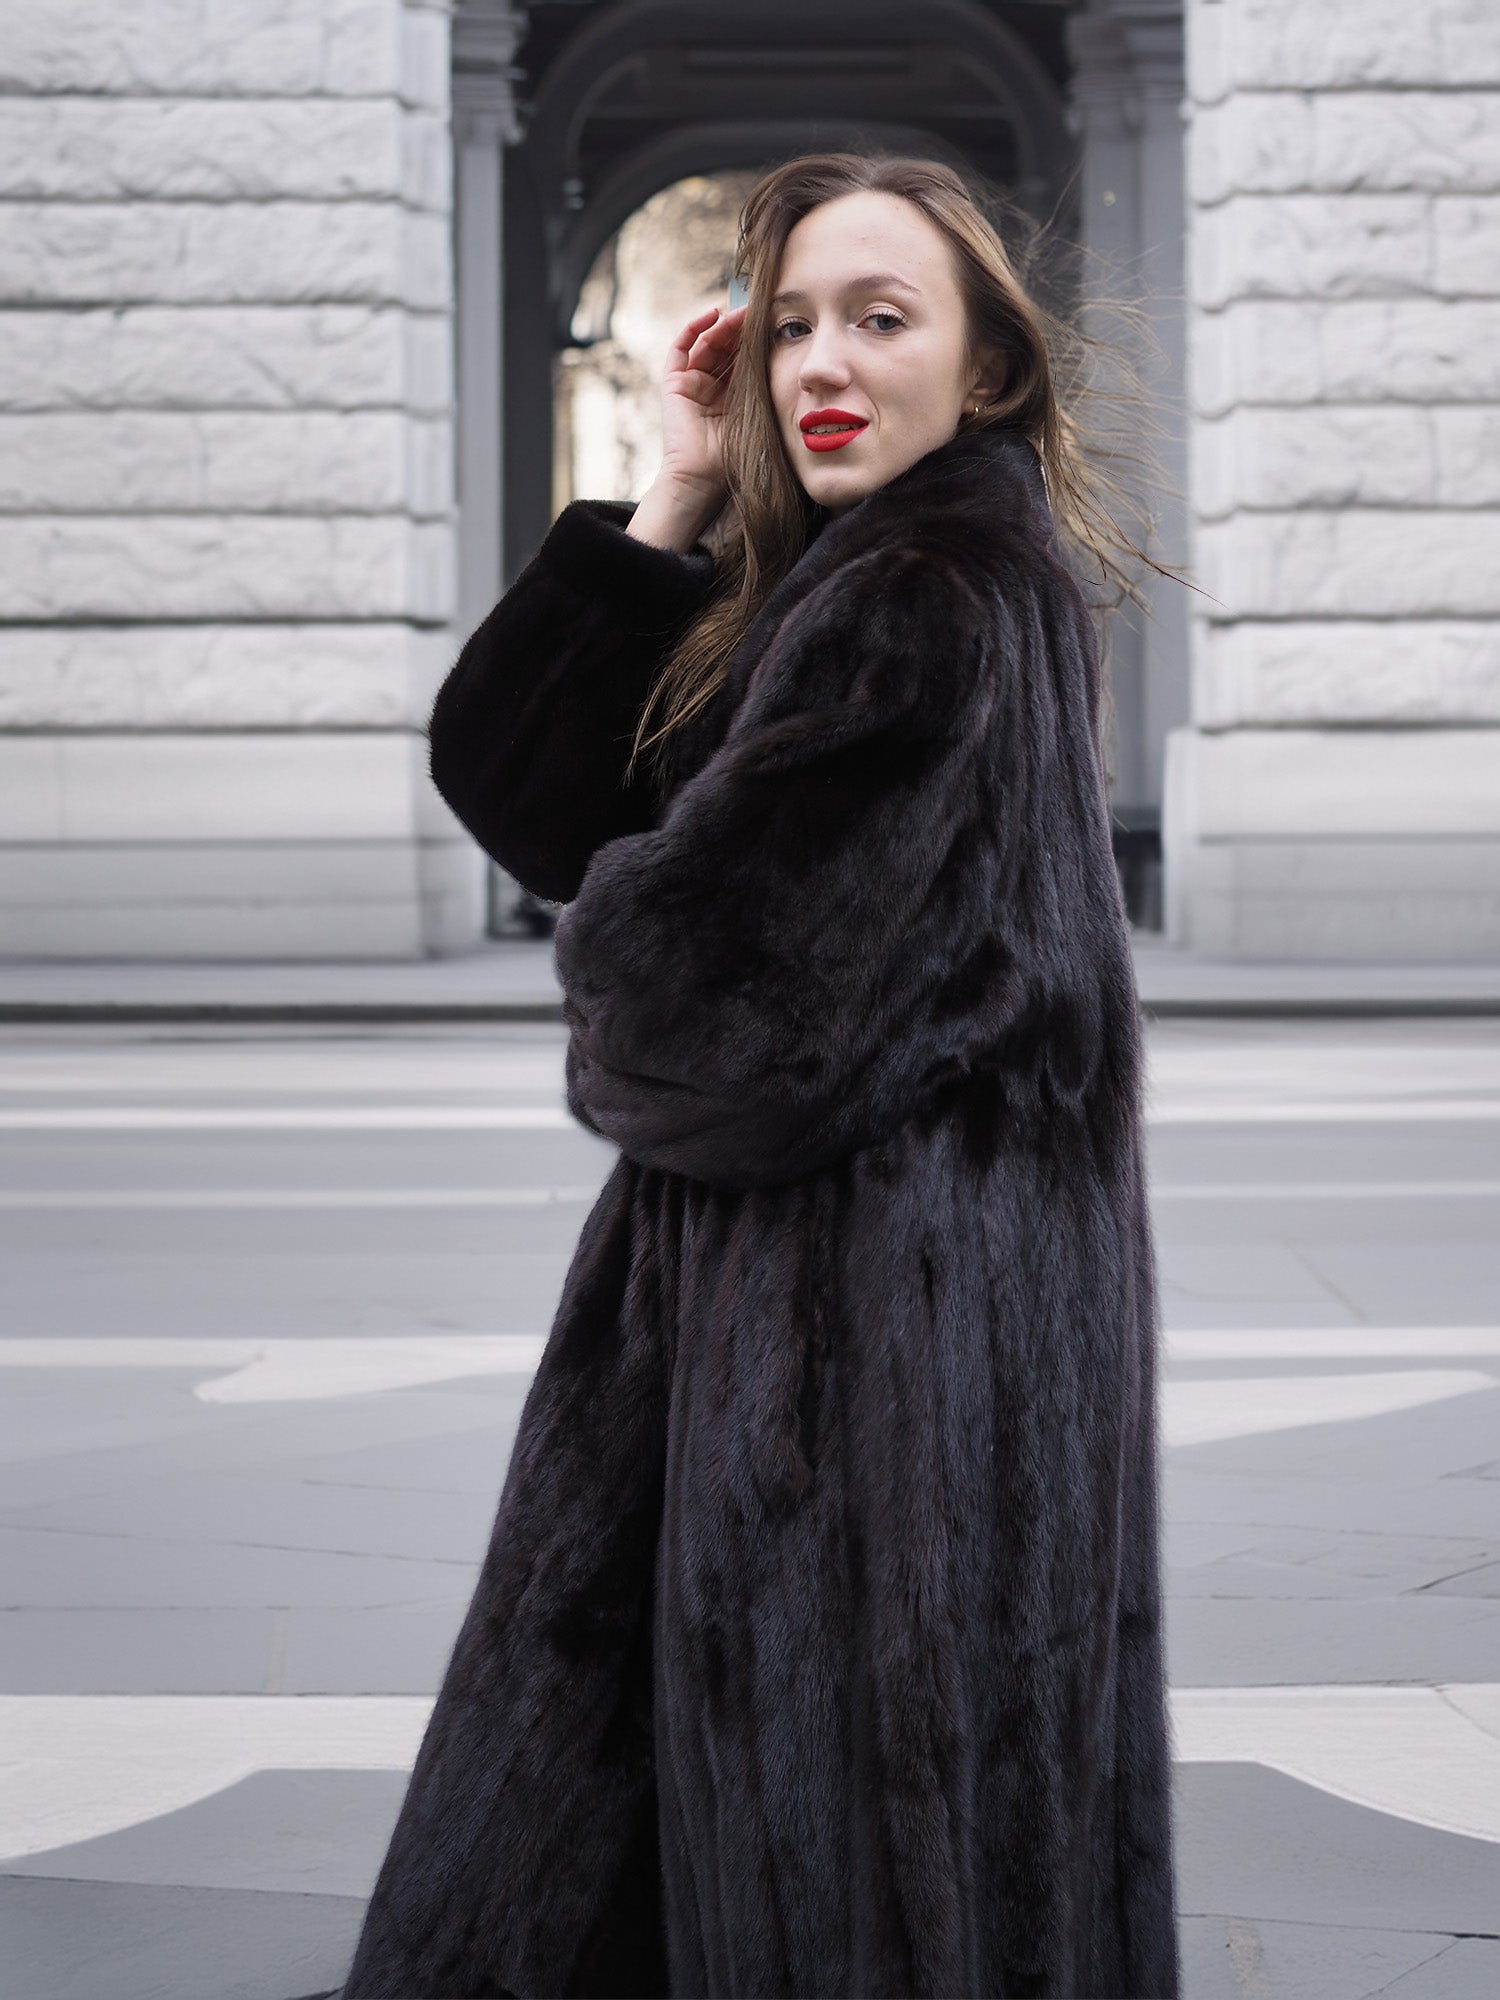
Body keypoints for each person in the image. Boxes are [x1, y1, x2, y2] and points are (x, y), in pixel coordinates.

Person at [336, 150, 1180, 2000]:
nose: (824, 363)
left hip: (866, 1361)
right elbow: (533, 794)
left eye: (881, 319)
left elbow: (700, 1004)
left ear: (989, 369)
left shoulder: (925, 599)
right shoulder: (854, 583)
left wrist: (619, 967)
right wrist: (677, 490)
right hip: (903, 1326)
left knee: (823, 1866)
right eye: (791, 324)